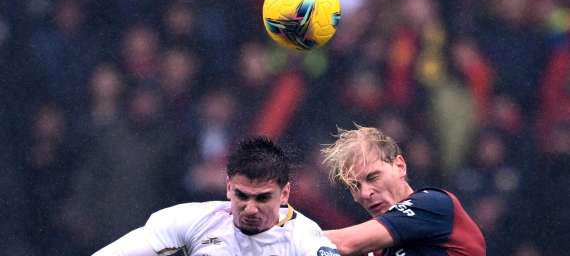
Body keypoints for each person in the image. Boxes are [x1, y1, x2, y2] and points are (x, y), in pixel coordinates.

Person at [93, 137, 339, 256]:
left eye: (262, 198)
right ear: (229, 188)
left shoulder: (305, 239)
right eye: (242, 196)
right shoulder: (194, 220)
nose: (250, 208)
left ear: (284, 194)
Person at [321, 125, 486, 256]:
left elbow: (344, 243)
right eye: (355, 186)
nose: (365, 193)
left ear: (400, 166)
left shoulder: (434, 204)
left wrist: (295, 232)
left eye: (373, 177)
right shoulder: (375, 250)